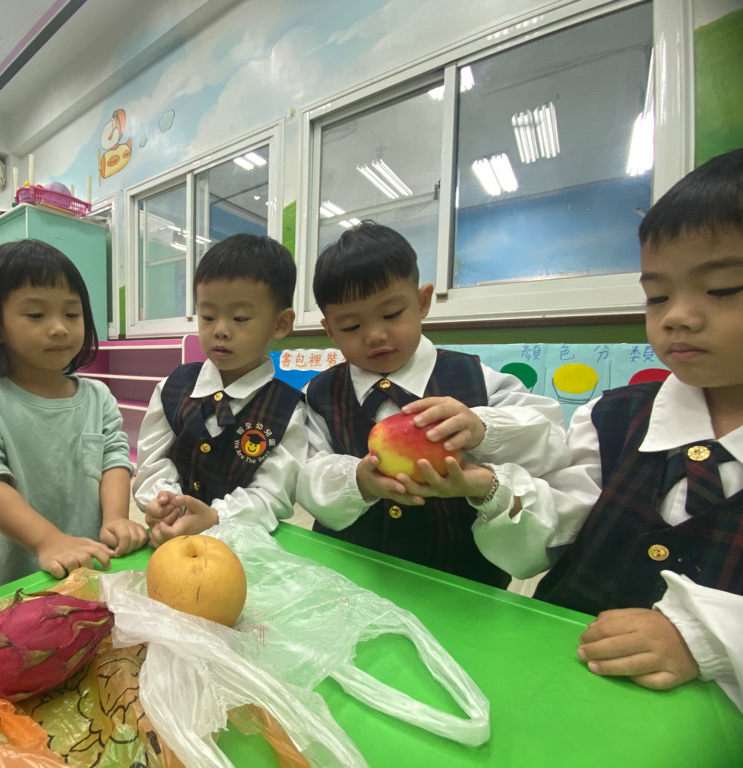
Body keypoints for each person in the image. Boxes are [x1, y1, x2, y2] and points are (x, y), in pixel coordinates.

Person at [473, 150, 743, 709]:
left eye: (723, 288)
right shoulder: (612, 418)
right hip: (556, 680)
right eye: (657, 296)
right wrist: (492, 490)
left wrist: (707, 637)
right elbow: (556, 532)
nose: (676, 316)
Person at [297, 221, 568, 588]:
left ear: (423, 302)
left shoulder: (477, 378)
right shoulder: (319, 393)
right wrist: (358, 480)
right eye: (351, 326)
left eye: (391, 314)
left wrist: (481, 429)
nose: (375, 335)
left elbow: (548, 438)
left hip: (461, 584)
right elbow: (305, 469)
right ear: (330, 331)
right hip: (349, 578)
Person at [0, 239, 147, 593]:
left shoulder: (98, 397)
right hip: (11, 579)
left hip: (90, 565)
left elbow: (114, 460)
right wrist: (47, 541)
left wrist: (115, 518)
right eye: (36, 315)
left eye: (72, 314)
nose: (59, 328)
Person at [134, 234, 305, 546]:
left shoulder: (288, 409)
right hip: (170, 542)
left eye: (240, 318)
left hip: (243, 549)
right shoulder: (172, 387)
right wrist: (166, 502)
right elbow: (151, 463)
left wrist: (216, 517)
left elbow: (273, 495)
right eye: (208, 316)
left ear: (280, 323)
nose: (220, 330)